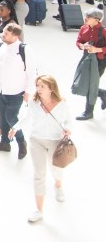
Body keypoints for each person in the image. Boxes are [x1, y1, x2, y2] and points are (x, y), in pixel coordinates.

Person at [10, 75, 72, 222]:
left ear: (51, 88)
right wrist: (15, 128)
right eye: (37, 85)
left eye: (42, 86)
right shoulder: (34, 102)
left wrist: (67, 129)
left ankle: (58, 185)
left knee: (56, 169)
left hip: (55, 141)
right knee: (39, 175)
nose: (38, 89)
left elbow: (68, 121)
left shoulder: (62, 104)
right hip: (36, 140)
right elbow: (27, 118)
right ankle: (39, 210)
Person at [0, 23, 37, 159]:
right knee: (3, 118)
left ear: (15, 36)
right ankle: (4, 143)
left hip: (16, 92)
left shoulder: (24, 50)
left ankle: (21, 142)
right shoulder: (2, 47)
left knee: (11, 118)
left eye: (7, 34)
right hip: (1, 90)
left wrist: (28, 91)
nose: (3, 35)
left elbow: (31, 72)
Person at [74, 8, 106, 120]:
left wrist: (97, 50)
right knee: (88, 84)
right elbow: (78, 42)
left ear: (96, 20)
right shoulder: (83, 28)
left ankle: (88, 112)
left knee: (91, 85)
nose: (85, 18)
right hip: (87, 59)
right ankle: (102, 94)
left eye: (88, 17)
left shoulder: (103, 31)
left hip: (100, 61)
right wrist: (83, 46)